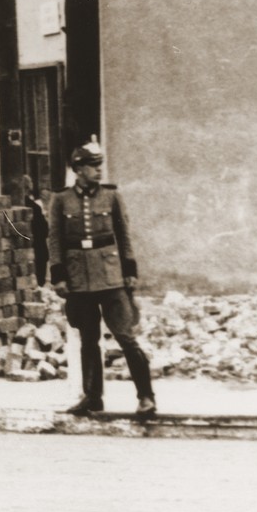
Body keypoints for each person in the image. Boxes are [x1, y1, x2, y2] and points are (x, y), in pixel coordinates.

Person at [49, 142, 157, 420]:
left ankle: (146, 397)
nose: (99, 170)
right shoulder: (61, 200)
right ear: (78, 170)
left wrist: (130, 269)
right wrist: (59, 275)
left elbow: (124, 235)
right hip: (78, 280)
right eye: (93, 166)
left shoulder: (112, 196)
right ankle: (93, 398)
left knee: (126, 337)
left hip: (111, 278)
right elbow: (56, 240)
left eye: (99, 165)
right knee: (88, 341)